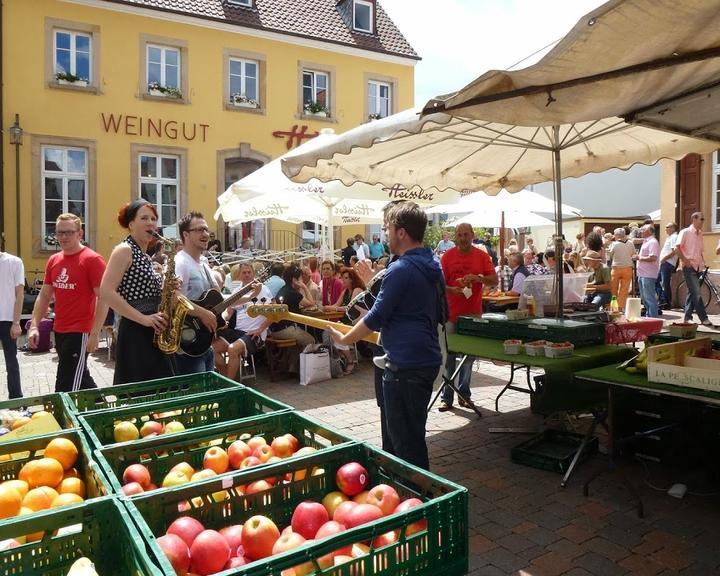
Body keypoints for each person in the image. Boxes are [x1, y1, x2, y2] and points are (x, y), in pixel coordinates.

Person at [327, 201, 443, 471]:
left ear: (401, 232)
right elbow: (405, 308)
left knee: (405, 446)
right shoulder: (430, 262)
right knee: (411, 439)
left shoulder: (400, 269)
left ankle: (415, 501)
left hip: (405, 366)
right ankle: (414, 497)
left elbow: (375, 317)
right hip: (423, 360)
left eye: (388, 227)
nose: (385, 233)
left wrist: (343, 340)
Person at [28, 213, 108, 392]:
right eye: (59, 233)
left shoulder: (92, 260)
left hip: (80, 331)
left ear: (80, 233)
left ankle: (59, 418)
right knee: (80, 378)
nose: (63, 237)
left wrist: (95, 333)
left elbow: (104, 299)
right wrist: (34, 325)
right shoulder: (54, 260)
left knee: (65, 382)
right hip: (60, 329)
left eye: (69, 232)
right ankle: (106, 415)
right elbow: (45, 295)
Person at [99, 199, 175, 385]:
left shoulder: (146, 256)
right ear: (131, 224)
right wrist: (144, 319)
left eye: (153, 218)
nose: (151, 222)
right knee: (140, 395)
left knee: (160, 395)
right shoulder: (124, 250)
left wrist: (170, 286)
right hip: (136, 332)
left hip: (154, 331)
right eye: (144, 218)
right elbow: (106, 291)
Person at [438, 223, 497, 412]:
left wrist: (478, 278)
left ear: (472, 235)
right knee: (449, 357)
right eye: (459, 235)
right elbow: (438, 285)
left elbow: (494, 280)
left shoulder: (482, 256)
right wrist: (452, 289)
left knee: (468, 358)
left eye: (466, 234)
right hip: (451, 314)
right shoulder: (447, 257)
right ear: (455, 237)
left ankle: (464, 393)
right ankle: (446, 397)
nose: (462, 238)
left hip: (472, 314)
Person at [172, 212, 226, 374]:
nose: (206, 234)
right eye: (200, 230)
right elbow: (174, 297)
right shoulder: (179, 262)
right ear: (186, 234)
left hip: (204, 342)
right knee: (195, 396)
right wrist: (203, 314)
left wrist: (249, 294)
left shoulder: (203, 262)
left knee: (205, 394)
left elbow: (216, 297)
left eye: (206, 230)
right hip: (187, 340)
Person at [215, 263, 272, 379]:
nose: (247, 275)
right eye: (244, 272)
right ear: (239, 275)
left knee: (232, 349)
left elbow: (274, 312)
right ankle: (228, 380)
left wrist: (261, 329)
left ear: (254, 274)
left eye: (249, 272)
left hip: (254, 333)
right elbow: (228, 312)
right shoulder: (237, 291)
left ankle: (229, 387)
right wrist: (224, 320)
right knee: (211, 350)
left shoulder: (263, 290)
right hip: (237, 332)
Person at [270, 263, 316, 372]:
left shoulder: (284, 289)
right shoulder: (292, 292)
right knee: (311, 340)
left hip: (275, 329)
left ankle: (293, 367)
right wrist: (304, 287)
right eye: (300, 278)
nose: (302, 279)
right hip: (285, 329)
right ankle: (305, 369)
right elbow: (311, 303)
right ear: (295, 279)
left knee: (298, 341)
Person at [326, 267, 366, 374]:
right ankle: (345, 356)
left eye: (346, 278)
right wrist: (325, 307)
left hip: (355, 322)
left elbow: (349, 307)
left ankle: (349, 360)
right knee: (328, 334)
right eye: (343, 278)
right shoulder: (345, 291)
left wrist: (332, 308)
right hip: (345, 321)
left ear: (352, 279)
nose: (343, 280)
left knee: (337, 334)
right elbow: (336, 305)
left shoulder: (357, 290)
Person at [676, 212, 713, 326]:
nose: (703, 221)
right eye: (701, 219)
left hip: (698, 266)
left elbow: (700, 251)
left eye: (703, 219)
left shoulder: (700, 233)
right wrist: (685, 261)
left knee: (692, 293)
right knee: (696, 293)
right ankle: (704, 318)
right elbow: (677, 248)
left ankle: (687, 318)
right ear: (694, 219)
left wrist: (703, 264)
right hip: (689, 266)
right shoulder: (685, 232)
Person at [0, 248, 24, 398]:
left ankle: (16, 399)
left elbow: (19, 293)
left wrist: (16, 322)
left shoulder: (14, 262)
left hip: (8, 320)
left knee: (11, 362)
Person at [633, 224, 660, 318]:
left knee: (649, 298)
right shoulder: (646, 241)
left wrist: (639, 257)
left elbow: (653, 257)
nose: (640, 231)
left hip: (648, 274)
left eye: (642, 229)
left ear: (649, 231)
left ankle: (653, 319)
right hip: (642, 274)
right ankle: (649, 317)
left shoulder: (653, 242)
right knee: (645, 299)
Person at [609, 228, 635, 310]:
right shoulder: (631, 243)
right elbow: (633, 254)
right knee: (624, 289)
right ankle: (620, 307)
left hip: (616, 268)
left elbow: (610, 255)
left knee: (613, 289)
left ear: (617, 235)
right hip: (628, 268)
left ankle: (613, 306)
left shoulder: (614, 244)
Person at [656, 222, 678, 309]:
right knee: (660, 282)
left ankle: (666, 302)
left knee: (664, 283)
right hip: (665, 263)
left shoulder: (674, 237)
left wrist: (665, 258)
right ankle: (663, 301)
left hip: (667, 263)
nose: (666, 229)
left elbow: (674, 251)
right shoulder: (670, 237)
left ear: (673, 228)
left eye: (667, 227)